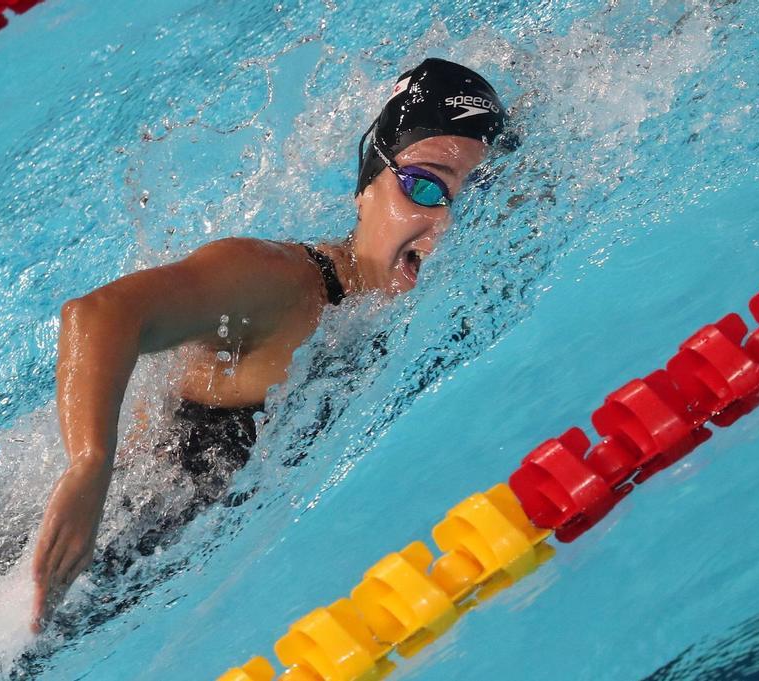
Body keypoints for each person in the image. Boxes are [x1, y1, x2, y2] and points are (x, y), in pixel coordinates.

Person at [29, 57, 513, 631]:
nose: (446, 224)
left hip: (118, 583)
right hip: (44, 557)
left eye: (472, 198)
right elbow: (97, 314)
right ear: (365, 185)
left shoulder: (395, 315)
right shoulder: (283, 284)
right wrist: (90, 465)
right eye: (425, 185)